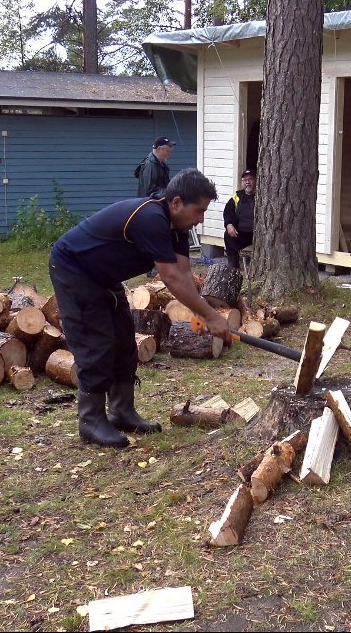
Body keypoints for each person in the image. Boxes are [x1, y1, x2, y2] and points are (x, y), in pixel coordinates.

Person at [50, 168, 232, 448]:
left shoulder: (178, 229)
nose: (200, 219)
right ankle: (91, 421)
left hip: (103, 276)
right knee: (96, 343)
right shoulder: (150, 218)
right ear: (176, 202)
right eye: (198, 211)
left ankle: (122, 411)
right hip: (74, 269)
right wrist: (211, 315)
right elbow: (170, 278)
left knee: (124, 340)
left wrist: (202, 312)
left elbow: (183, 274)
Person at [223, 169, 256, 270]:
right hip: (242, 234)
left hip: (258, 234)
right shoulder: (237, 197)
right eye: (245, 180)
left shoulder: (263, 196)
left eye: (250, 179)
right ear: (242, 183)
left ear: (255, 181)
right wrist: (229, 225)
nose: (247, 182)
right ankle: (234, 268)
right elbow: (228, 212)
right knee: (228, 235)